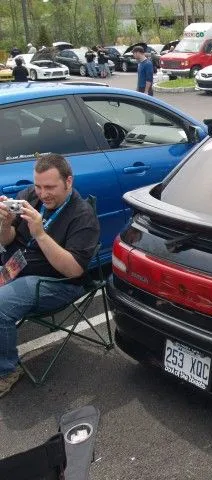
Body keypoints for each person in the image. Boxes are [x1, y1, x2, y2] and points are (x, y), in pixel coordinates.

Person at [0, 153, 100, 397]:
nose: (43, 194)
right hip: (16, 266)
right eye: (38, 186)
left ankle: (6, 371)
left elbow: (73, 270)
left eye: (50, 187)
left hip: (57, 282)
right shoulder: (30, 197)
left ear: (68, 181)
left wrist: (40, 234)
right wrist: (4, 224)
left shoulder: (82, 216)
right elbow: (8, 241)